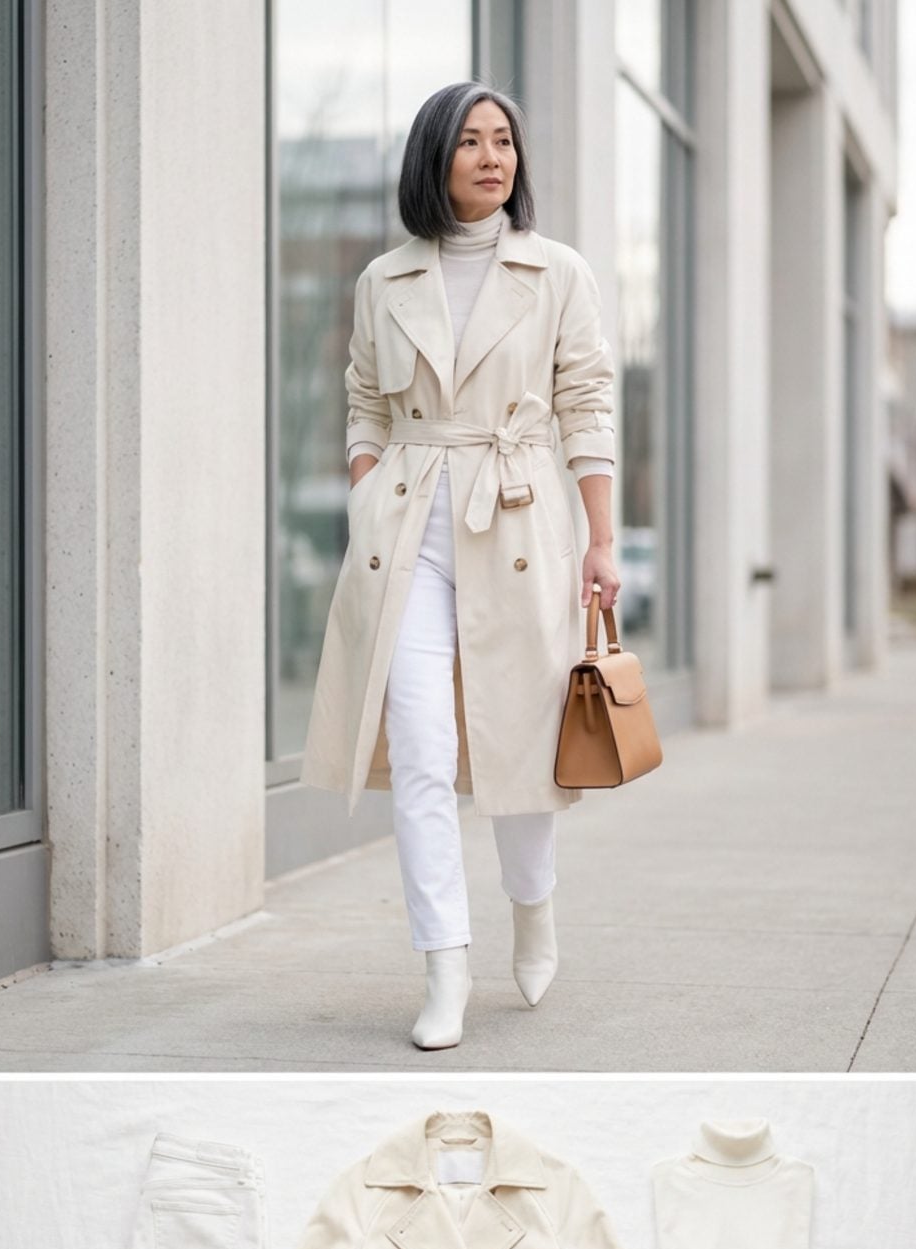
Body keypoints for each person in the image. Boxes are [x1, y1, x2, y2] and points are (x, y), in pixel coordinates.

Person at [301, 80, 619, 1050]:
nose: (493, 157)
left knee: (522, 750)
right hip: (407, 530)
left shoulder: (556, 271)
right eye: (471, 141)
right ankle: (444, 965)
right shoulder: (385, 279)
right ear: (432, 159)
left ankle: (534, 904)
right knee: (424, 757)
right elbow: (363, 397)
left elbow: (588, 399)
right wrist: (366, 484)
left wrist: (602, 537)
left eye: (504, 142)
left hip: (520, 519)